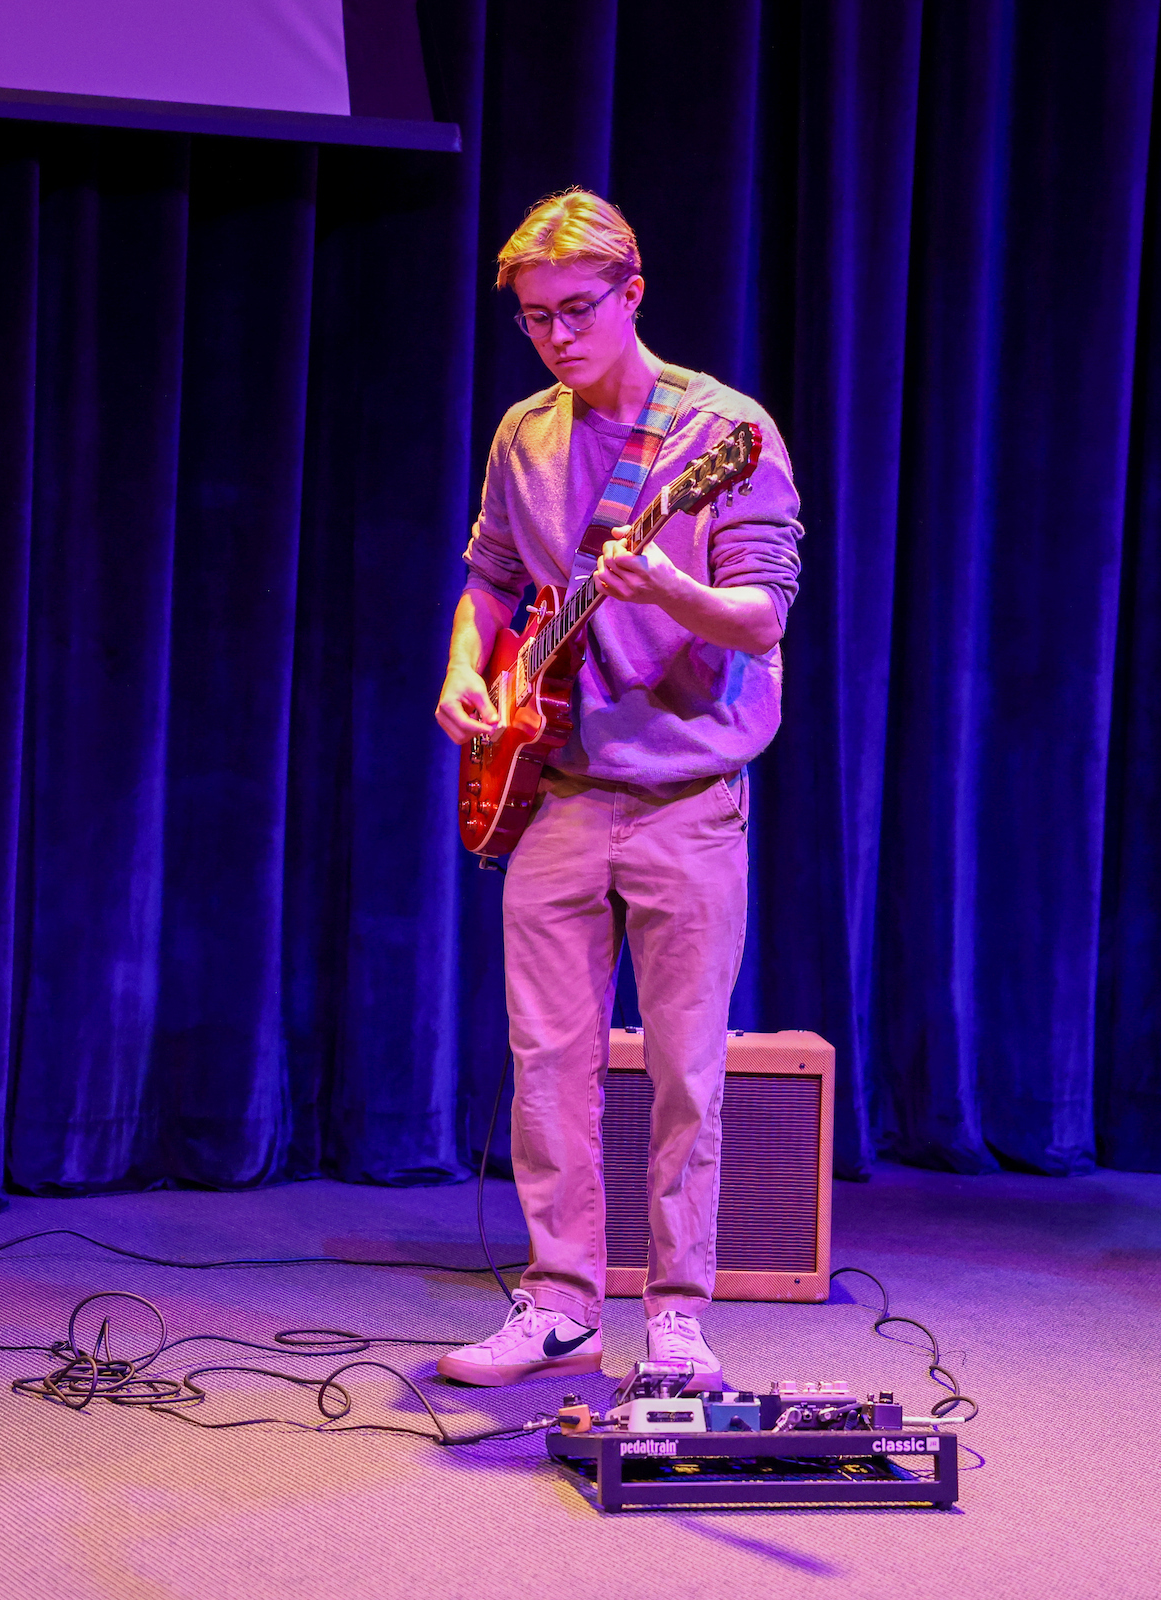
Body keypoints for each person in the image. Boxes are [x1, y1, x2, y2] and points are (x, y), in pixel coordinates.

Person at [432, 191, 803, 1391]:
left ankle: (680, 1316)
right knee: (547, 1062)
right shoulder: (524, 436)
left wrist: (667, 594)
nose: (553, 337)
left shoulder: (723, 432)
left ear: (633, 290)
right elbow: (489, 580)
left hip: (688, 796)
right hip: (557, 791)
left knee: (688, 1070)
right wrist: (463, 674)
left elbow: (760, 610)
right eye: (534, 318)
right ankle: (558, 1306)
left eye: (575, 311)